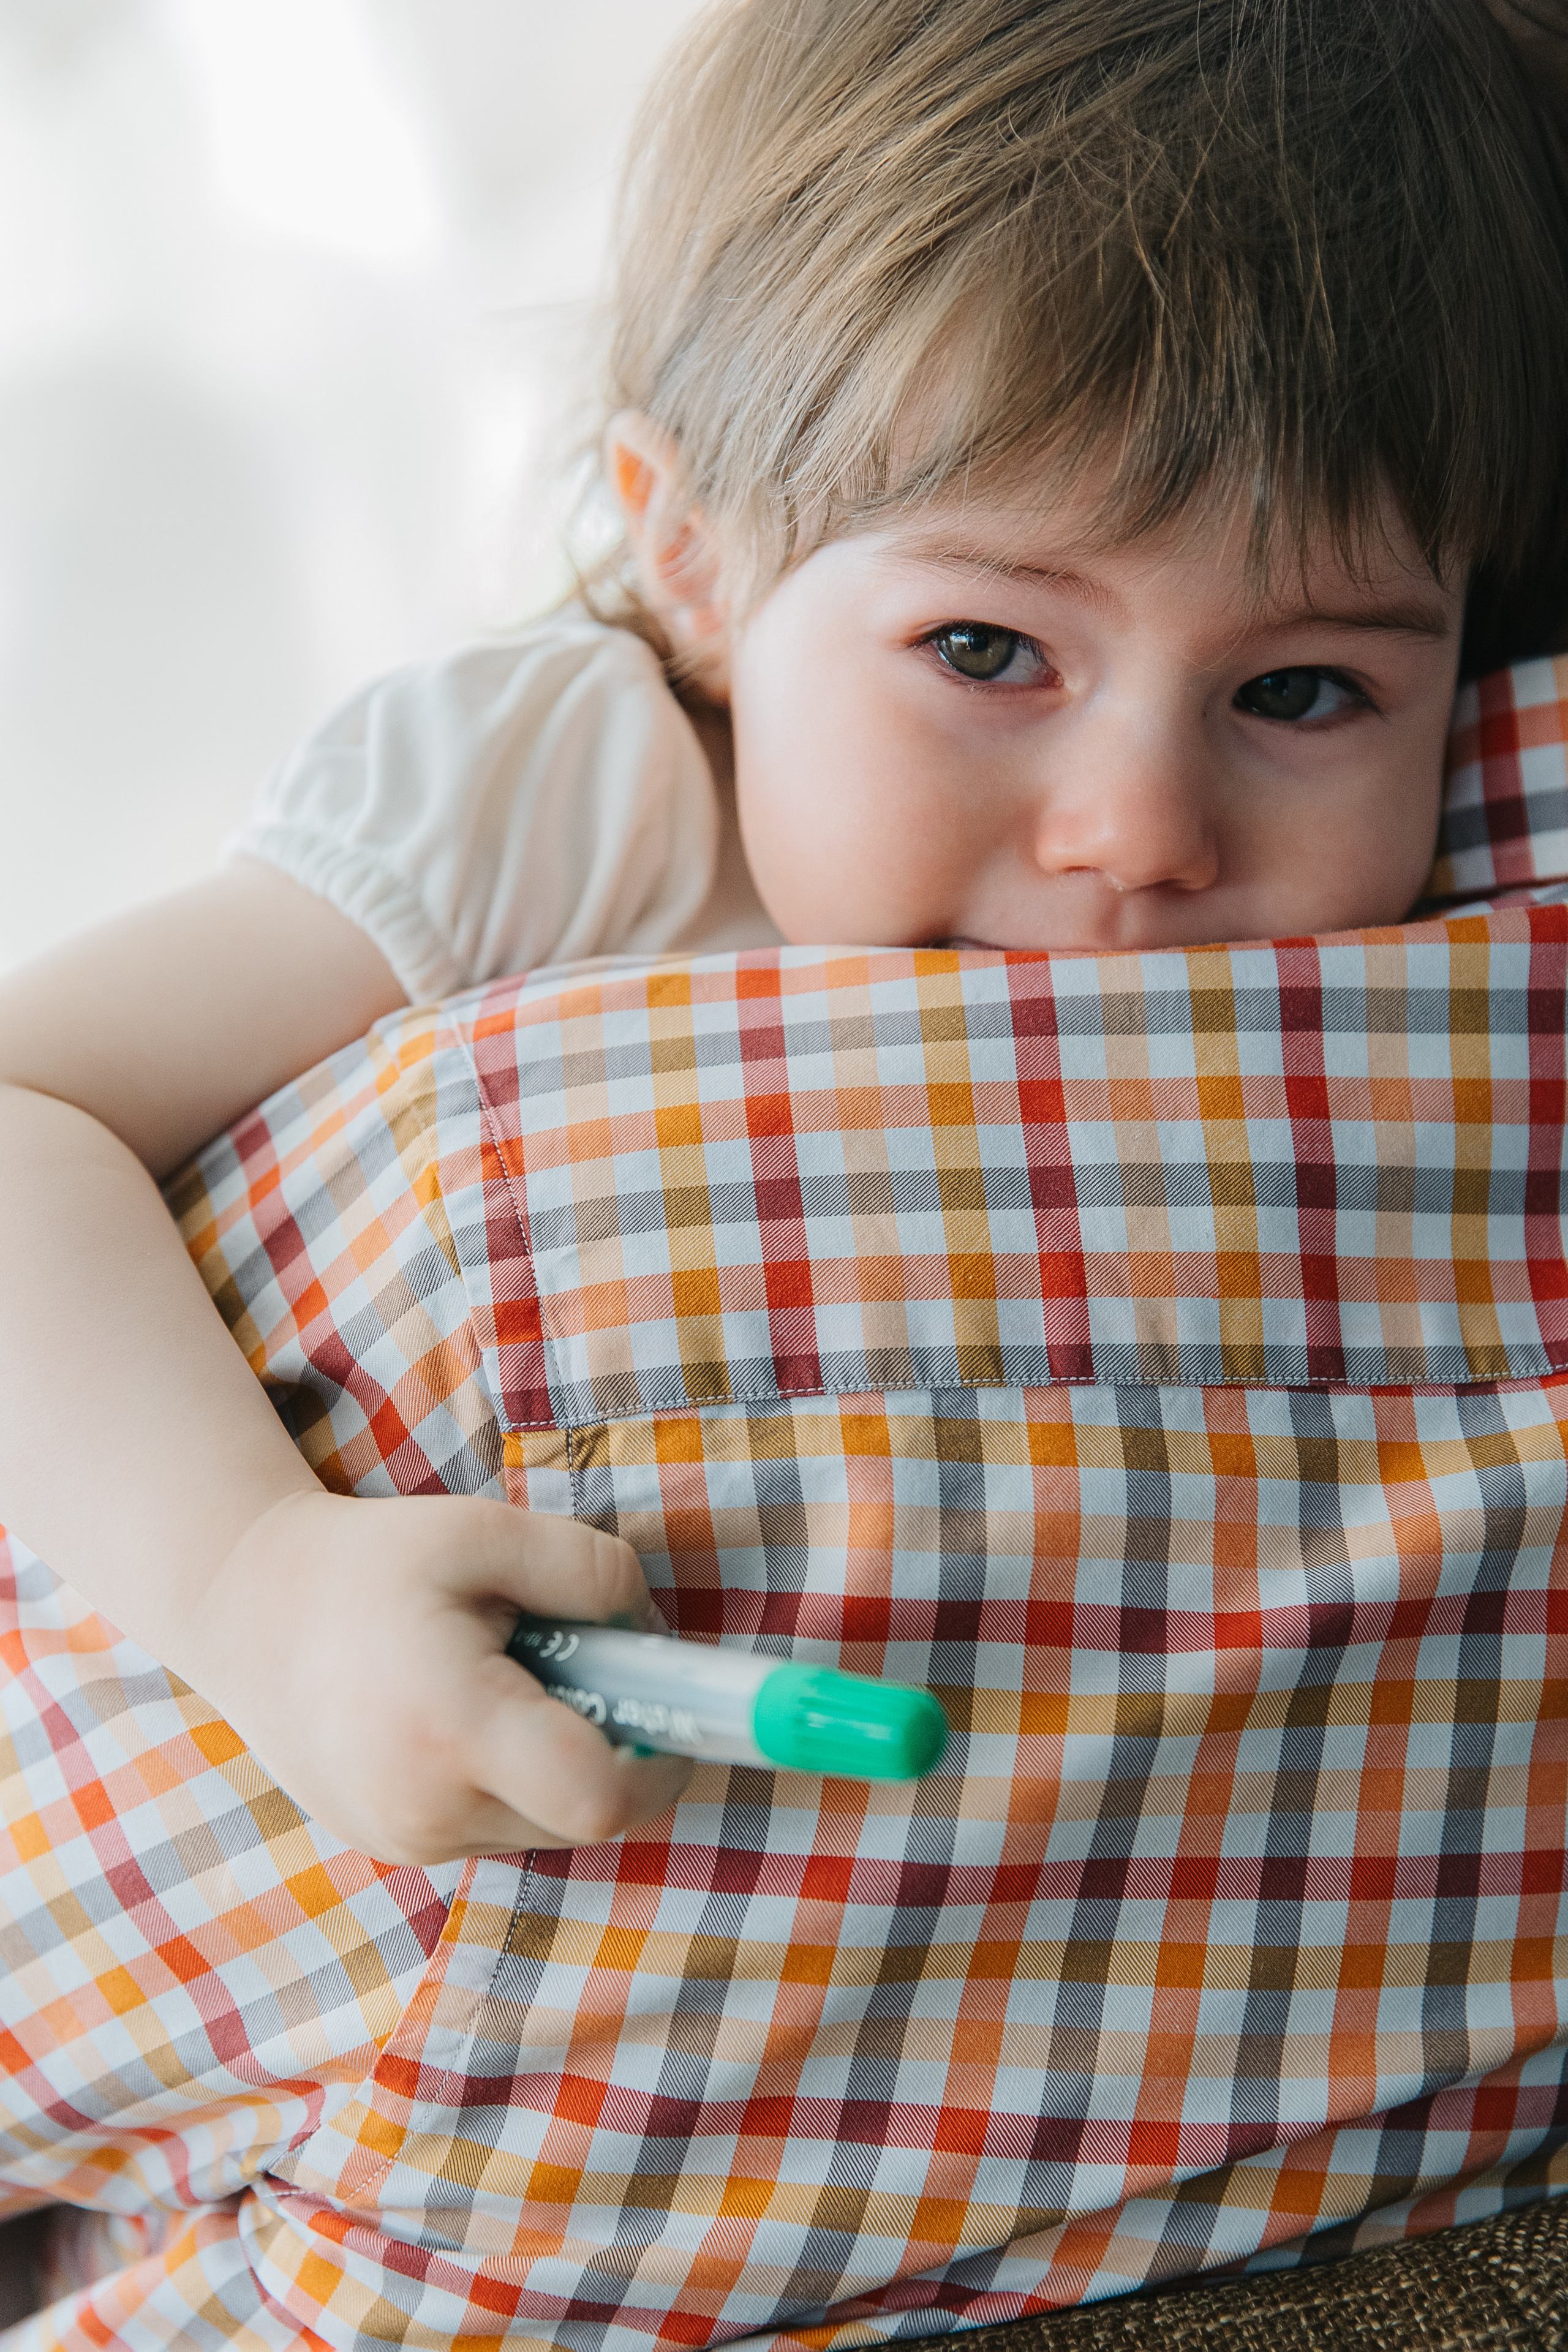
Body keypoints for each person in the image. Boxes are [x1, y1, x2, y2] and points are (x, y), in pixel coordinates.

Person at [1, 0, 1567, 1875]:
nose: (1141, 833)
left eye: (1304, 690)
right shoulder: (572, 791)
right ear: (697, 562)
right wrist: (259, 1578)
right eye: (987, 653)